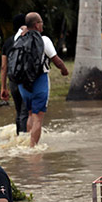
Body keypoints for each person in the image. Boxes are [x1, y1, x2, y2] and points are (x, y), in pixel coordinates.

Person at [16, 12, 69, 147]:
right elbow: (56, 60)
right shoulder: (44, 40)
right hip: (40, 81)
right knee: (38, 118)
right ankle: (33, 149)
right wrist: (64, 70)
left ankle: (28, 144)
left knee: (29, 114)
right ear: (36, 25)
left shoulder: (19, 37)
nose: (42, 26)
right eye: (41, 23)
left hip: (23, 83)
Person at [0, 13, 29, 135]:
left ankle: (19, 136)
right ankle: (23, 138)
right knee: (25, 112)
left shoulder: (8, 42)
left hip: (13, 81)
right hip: (26, 81)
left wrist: (3, 87)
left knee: (18, 111)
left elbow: (3, 67)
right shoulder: (28, 40)